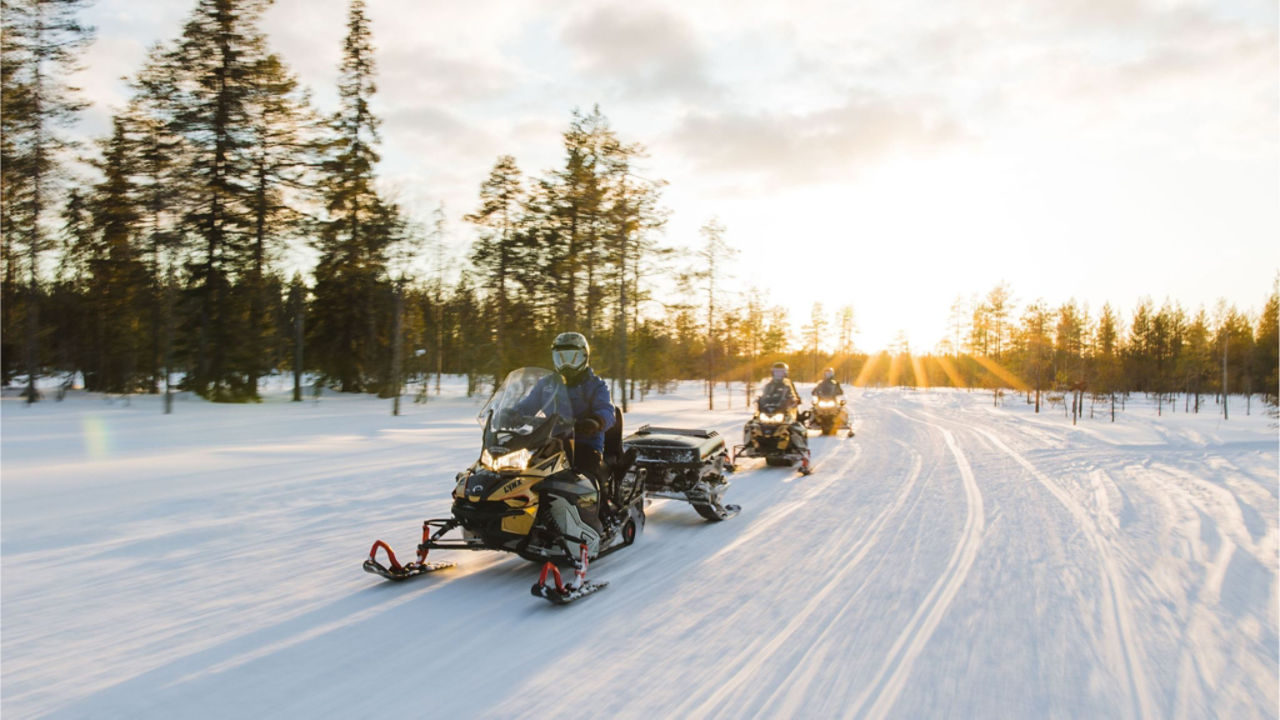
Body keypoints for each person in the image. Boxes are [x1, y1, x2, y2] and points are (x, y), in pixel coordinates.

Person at [550, 331, 615, 482]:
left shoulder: (595, 385)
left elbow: (607, 410)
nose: (566, 364)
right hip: (550, 444)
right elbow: (527, 404)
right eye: (561, 358)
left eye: (572, 358)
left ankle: (603, 504)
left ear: (584, 357)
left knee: (587, 479)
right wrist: (511, 413)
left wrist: (595, 421)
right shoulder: (548, 384)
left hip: (584, 444)